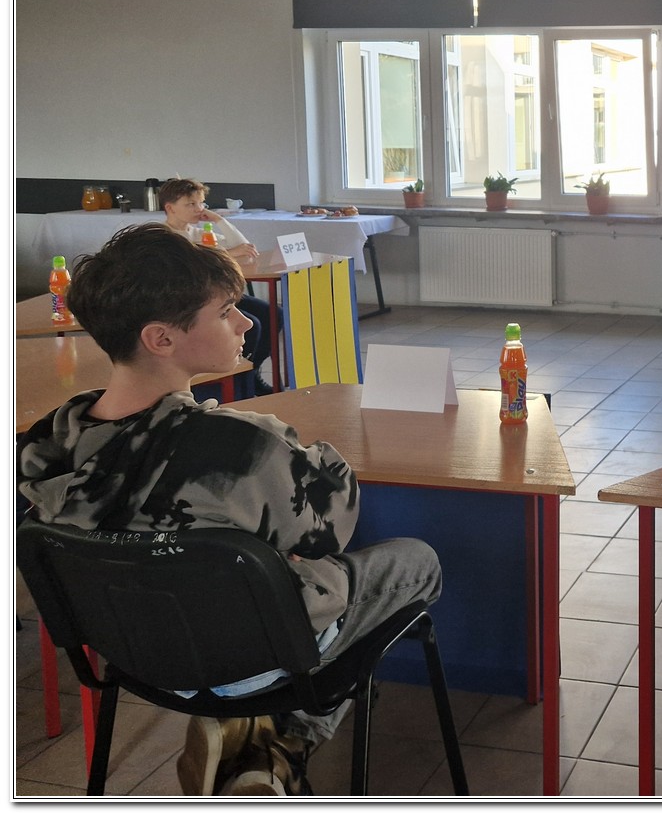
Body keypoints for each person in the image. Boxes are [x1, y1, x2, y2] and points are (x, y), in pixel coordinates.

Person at [16, 224, 443, 796]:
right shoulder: (243, 446)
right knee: (418, 561)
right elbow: (328, 530)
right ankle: (282, 742)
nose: (246, 323)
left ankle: (255, 742)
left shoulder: (48, 444)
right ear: (161, 338)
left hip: (131, 656)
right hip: (253, 664)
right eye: (225, 312)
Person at [159, 177, 274, 395]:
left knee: (273, 313)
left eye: (201, 203)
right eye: (190, 204)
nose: (199, 209)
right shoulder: (164, 235)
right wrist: (228, 254)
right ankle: (238, 380)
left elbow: (244, 247)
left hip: (218, 295)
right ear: (170, 208)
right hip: (191, 300)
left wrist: (219, 220)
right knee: (254, 325)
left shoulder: (200, 233)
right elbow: (188, 268)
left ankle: (252, 372)